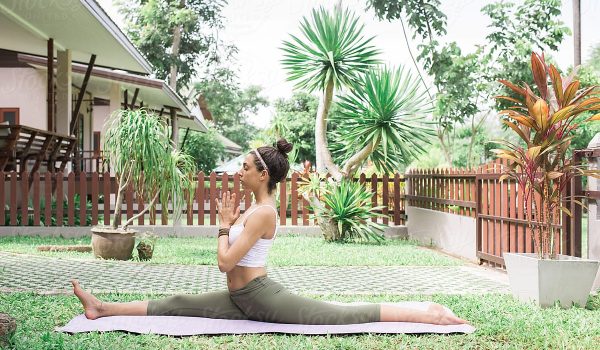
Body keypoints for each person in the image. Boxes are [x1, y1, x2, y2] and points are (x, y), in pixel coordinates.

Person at [72, 139, 467, 326]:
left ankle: (428, 315)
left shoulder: (263, 213)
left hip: (261, 297)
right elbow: (230, 262)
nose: (238, 171)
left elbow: (225, 260)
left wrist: (224, 226)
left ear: (263, 175)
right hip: (242, 296)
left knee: (339, 315)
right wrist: (229, 221)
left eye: (245, 167)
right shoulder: (252, 207)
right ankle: (101, 308)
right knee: (177, 300)